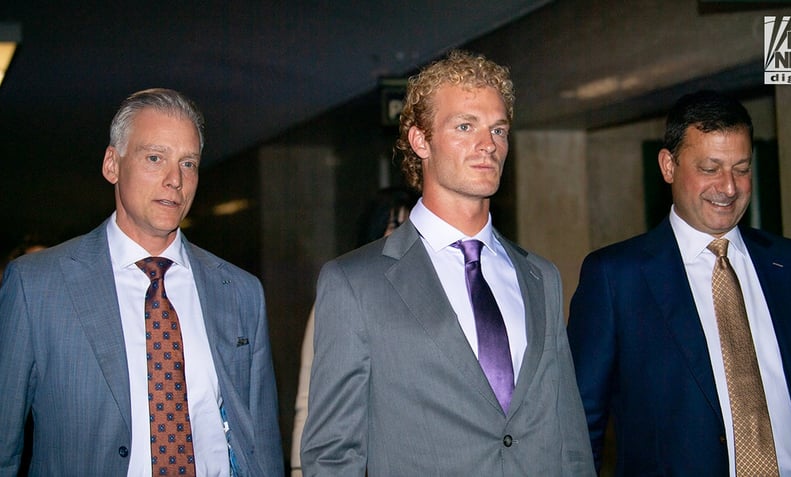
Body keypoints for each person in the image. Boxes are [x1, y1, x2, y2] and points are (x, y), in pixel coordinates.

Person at [300, 50, 594, 476]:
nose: (488, 145)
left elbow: (569, 438)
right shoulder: (355, 283)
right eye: (464, 126)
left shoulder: (539, 276)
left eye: (498, 129)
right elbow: (332, 454)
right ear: (421, 140)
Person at [0, 88, 285, 476]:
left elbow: (262, 444)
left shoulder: (240, 291)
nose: (175, 180)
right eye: (155, 158)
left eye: (188, 163)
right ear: (112, 164)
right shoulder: (37, 287)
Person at [567, 90, 791, 476]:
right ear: (668, 166)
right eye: (710, 168)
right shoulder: (616, 278)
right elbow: (581, 422)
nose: (729, 187)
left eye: (742, 168)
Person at [289, 186, 418, 477]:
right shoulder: (347, 290)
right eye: (394, 225)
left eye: (410, 225)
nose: (401, 236)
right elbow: (310, 397)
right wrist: (300, 469)